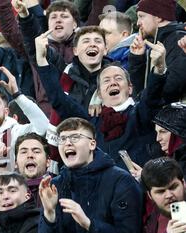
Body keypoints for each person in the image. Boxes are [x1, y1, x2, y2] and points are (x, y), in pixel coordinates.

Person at [38, 117, 143, 233]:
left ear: (92, 144)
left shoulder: (120, 180)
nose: (67, 143)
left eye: (75, 137)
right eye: (62, 139)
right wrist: (49, 214)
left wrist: (89, 224)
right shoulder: (55, 186)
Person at [36, 27, 167, 169]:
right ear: (99, 93)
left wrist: (159, 68)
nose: (113, 82)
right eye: (106, 80)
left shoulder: (141, 113)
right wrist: (42, 59)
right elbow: (58, 99)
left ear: (130, 88)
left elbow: (152, 95)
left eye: (118, 78)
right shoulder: (91, 122)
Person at [129, 0, 186, 102]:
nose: (138, 23)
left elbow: (170, 92)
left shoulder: (179, 40)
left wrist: (160, 69)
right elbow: (139, 93)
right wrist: (137, 59)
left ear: (159, 17)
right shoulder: (153, 42)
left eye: (141, 16)